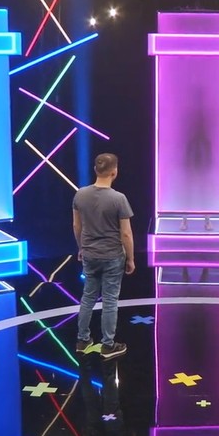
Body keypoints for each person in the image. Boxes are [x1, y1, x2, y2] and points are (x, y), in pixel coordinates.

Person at [74, 153, 134, 359]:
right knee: (109, 300)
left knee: (88, 297)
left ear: (95, 169)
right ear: (114, 172)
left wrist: (81, 247)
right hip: (112, 256)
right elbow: (126, 234)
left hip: (89, 254)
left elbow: (77, 226)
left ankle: (82, 340)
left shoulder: (80, 195)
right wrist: (131, 258)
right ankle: (108, 345)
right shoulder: (119, 198)